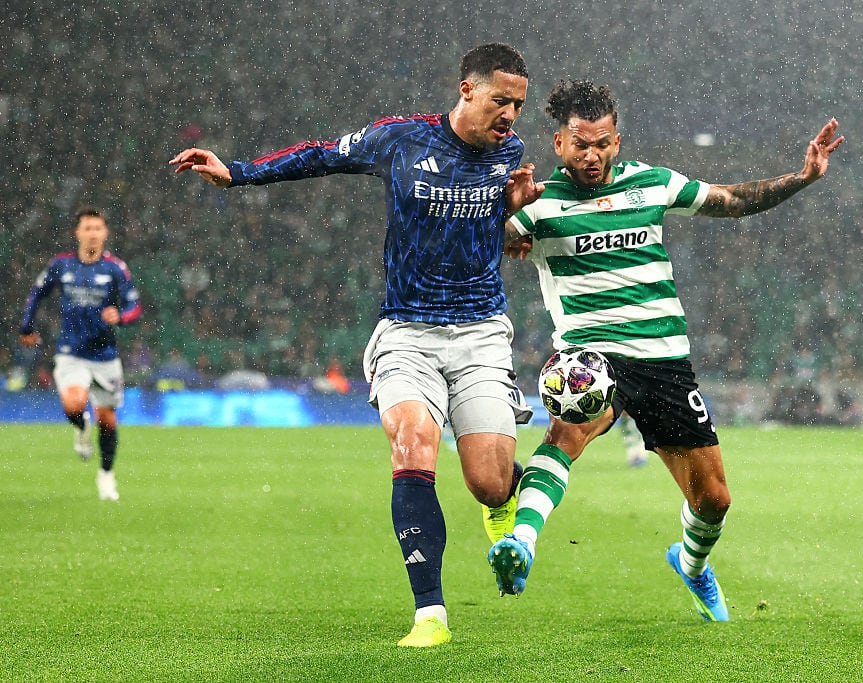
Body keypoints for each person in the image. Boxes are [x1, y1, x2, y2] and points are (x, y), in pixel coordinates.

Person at [170, 43, 544, 647]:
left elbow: (483, 231)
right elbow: (322, 155)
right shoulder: (402, 139)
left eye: (518, 106)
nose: (510, 117)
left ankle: (501, 498)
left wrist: (510, 216)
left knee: (489, 483)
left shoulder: (512, 154)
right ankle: (431, 616)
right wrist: (237, 171)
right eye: (500, 101)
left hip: (479, 333)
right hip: (407, 331)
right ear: (466, 90)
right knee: (413, 445)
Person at [490, 80, 843, 622]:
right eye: (580, 144)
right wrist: (498, 221)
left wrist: (801, 177)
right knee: (567, 432)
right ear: (558, 144)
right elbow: (465, 245)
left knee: (715, 501)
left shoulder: (652, 185)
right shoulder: (537, 205)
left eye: (603, 143)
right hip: (591, 356)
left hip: (665, 361)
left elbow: (731, 201)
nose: (592, 155)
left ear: (618, 140)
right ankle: (521, 541)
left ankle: (692, 563)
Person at [18, 208, 142, 501]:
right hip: (71, 352)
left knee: (108, 421)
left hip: (105, 355)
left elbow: (134, 306)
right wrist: (26, 325)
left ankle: (106, 475)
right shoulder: (61, 266)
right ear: (78, 233)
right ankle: (81, 426)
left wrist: (121, 317)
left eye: (98, 228)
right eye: (87, 228)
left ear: (105, 233)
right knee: (75, 405)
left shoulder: (115, 268)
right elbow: (37, 293)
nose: (93, 233)